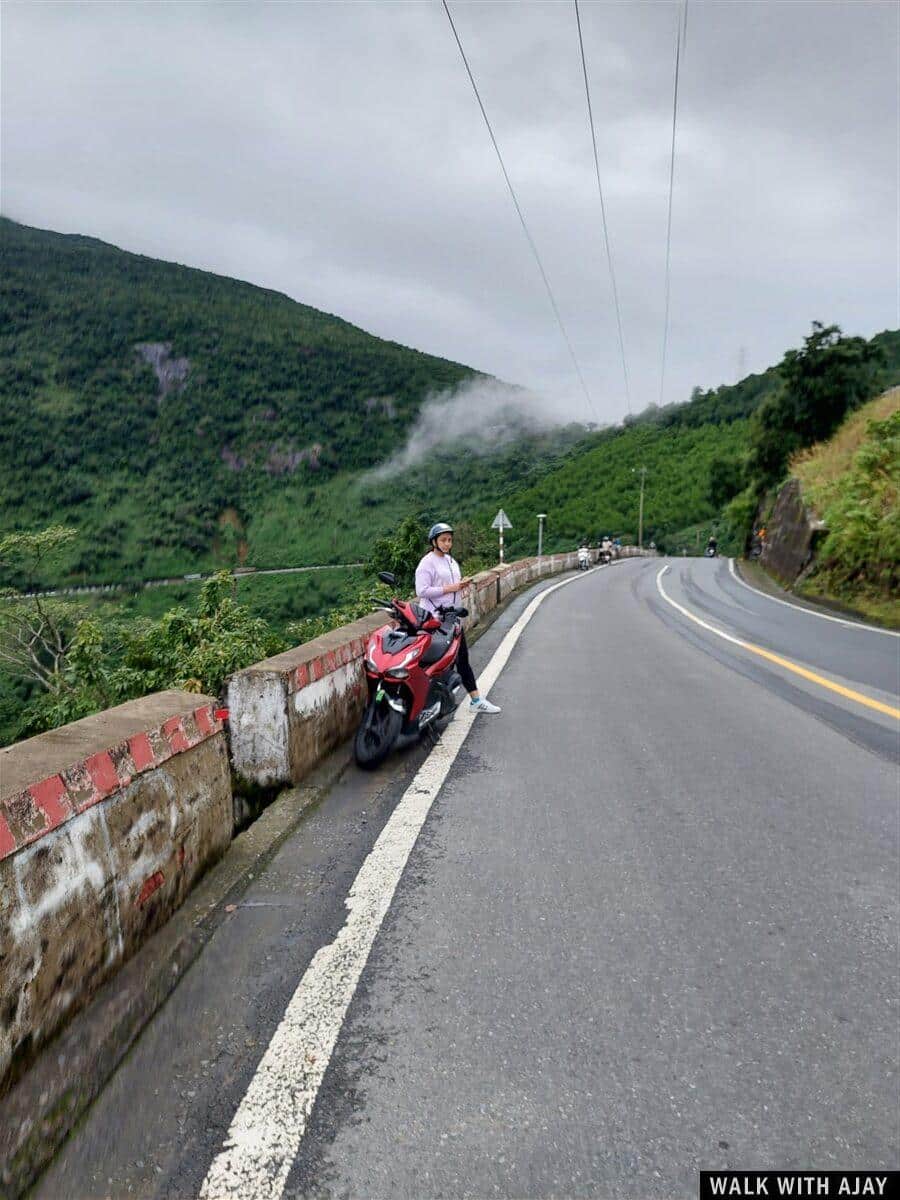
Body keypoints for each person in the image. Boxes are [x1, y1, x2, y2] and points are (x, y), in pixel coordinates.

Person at [414, 522, 501, 714]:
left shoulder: (450, 561)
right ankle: (425, 705)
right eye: (443, 540)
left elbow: (451, 587)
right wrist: (450, 588)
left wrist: (460, 585)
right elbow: (421, 590)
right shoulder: (427, 562)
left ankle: (475, 701)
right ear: (434, 541)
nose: (447, 544)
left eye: (449, 540)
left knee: (461, 660)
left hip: (452, 621)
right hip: (434, 621)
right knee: (434, 664)